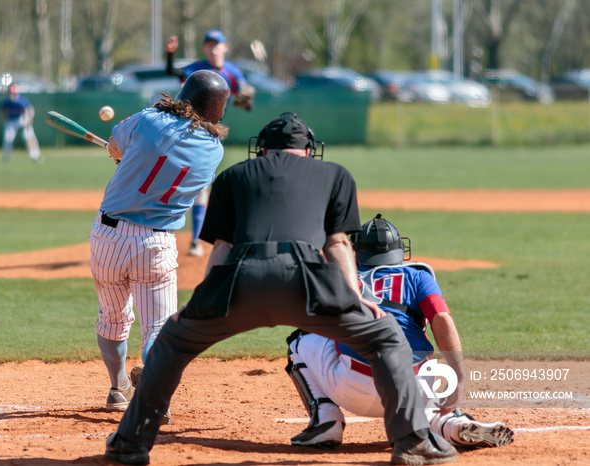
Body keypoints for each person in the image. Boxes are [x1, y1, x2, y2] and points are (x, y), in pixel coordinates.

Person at [104, 113, 457, 465]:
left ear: (263, 149)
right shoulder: (335, 174)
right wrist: (358, 296)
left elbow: (222, 249)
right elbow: (337, 245)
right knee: (384, 337)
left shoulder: (231, 176)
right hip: (306, 280)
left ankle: (129, 444)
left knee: (171, 343)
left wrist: (198, 303)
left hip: (238, 280)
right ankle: (412, 443)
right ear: (308, 149)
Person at [285, 214, 514, 449]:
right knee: (429, 407)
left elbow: (311, 319)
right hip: (411, 386)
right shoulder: (418, 276)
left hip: (354, 386)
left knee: (299, 339)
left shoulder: (342, 279)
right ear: (399, 250)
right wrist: (459, 378)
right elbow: (442, 318)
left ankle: (326, 421)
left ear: (356, 251)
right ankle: (452, 424)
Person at [90, 70, 230, 417]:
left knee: (112, 317)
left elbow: (116, 144)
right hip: (155, 243)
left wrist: (123, 158)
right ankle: (154, 397)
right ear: (217, 110)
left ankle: (118, 387)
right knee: (158, 328)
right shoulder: (213, 151)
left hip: (107, 236)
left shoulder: (149, 119)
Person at [165, 29, 256, 257]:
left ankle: (194, 240)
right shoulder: (198, 69)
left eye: (217, 44)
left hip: (208, 133)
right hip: (184, 129)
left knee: (201, 186)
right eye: (209, 44)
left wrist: (245, 101)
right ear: (205, 48)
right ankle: (167, 229)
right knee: (177, 179)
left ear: (224, 47)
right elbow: (173, 72)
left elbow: (246, 101)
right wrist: (169, 54)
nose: (214, 48)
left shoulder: (233, 72)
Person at [0, 84, 42, 163]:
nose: (13, 94)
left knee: (30, 136)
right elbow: (2, 110)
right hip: (11, 121)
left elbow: (30, 109)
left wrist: (30, 119)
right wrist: (2, 119)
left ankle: (36, 155)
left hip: (22, 120)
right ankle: (6, 156)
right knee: (8, 138)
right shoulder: (7, 101)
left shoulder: (22, 100)